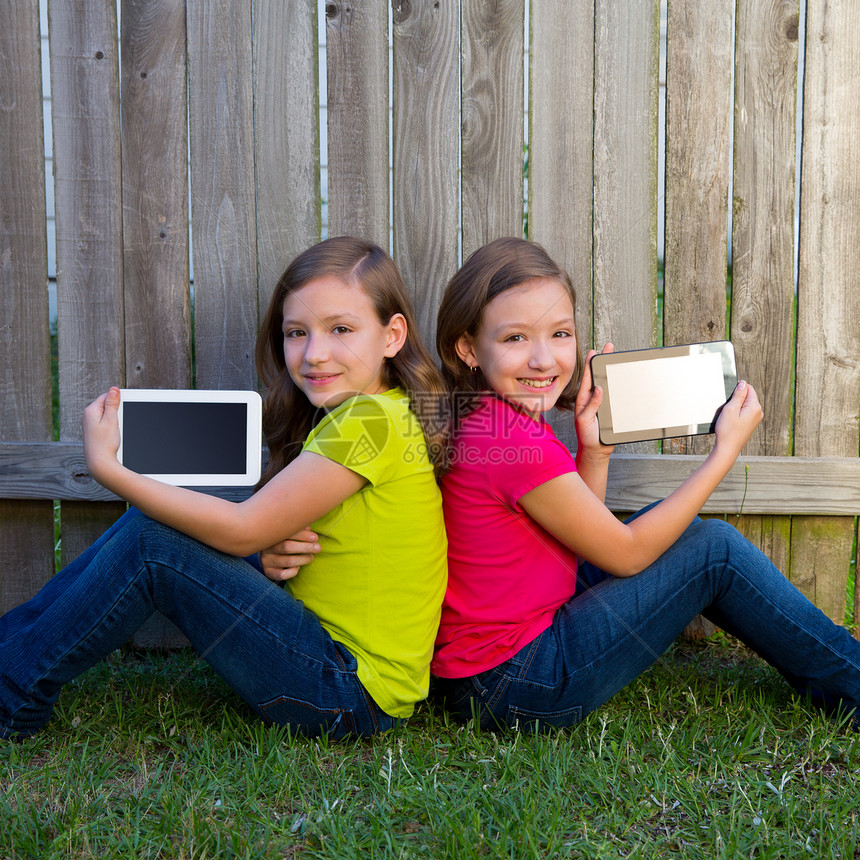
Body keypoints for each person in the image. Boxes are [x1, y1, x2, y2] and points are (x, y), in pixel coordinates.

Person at [0, 236, 448, 741]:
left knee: (153, 540)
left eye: (340, 329)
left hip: (347, 691)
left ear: (392, 336)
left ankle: (11, 690)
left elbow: (242, 529)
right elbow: (293, 546)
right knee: (154, 533)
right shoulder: (375, 415)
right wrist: (264, 562)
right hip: (342, 676)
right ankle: (8, 661)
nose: (315, 353)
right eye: (296, 332)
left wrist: (110, 469)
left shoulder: (370, 422)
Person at [431, 236, 860, 732]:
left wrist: (594, 453)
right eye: (515, 339)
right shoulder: (514, 442)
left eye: (561, 334)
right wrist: (724, 454)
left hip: (487, 671)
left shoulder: (489, 418)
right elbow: (626, 555)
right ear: (468, 348)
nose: (544, 360)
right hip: (516, 682)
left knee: (673, 526)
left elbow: (578, 545)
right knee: (712, 549)